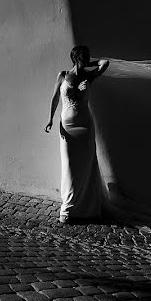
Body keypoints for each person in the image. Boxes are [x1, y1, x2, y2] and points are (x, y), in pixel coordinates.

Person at [44, 46, 109, 223]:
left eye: (87, 58)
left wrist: (90, 63)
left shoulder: (88, 76)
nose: (86, 61)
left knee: (86, 165)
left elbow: (105, 63)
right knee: (70, 166)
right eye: (83, 58)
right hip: (67, 125)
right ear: (76, 59)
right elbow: (55, 97)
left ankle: (87, 210)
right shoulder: (63, 75)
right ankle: (68, 208)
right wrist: (50, 119)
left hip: (85, 126)